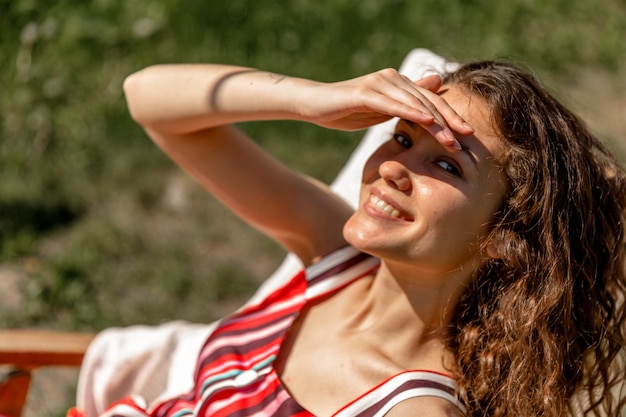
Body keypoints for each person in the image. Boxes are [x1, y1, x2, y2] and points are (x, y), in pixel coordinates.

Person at [76, 57, 626, 417]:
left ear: (504, 239)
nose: (391, 168)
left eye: (448, 166)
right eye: (402, 138)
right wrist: (311, 99)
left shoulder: (412, 410)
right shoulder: (338, 260)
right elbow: (145, 98)